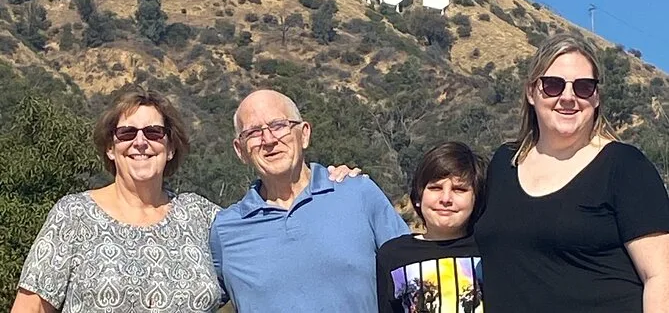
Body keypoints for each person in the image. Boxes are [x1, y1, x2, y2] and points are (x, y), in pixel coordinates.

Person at [12, 87, 358, 313]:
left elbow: (273, 244)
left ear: (170, 147)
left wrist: (328, 183)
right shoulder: (74, 216)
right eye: (127, 133)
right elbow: (30, 308)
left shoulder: (203, 218)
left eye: (154, 132)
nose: (140, 142)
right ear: (110, 148)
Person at [475, 33, 669, 312]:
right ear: (531, 92)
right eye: (553, 85)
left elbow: (661, 277)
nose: (568, 97)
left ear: (596, 97)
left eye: (583, 87)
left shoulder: (625, 167)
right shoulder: (504, 163)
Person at [209, 89, 410, 313]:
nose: (269, 140)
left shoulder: (359, 194)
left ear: (304, 134)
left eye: (278, 125)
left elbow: (413, 276)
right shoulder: (225, 230)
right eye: (254, 132)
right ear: (240, 150)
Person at [376, 141, 487, 313]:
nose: (446, 199)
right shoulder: (392, 255)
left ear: (476, 198)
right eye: (435, 188)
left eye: (459, 189)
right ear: (418, 196)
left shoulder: (491, 251)